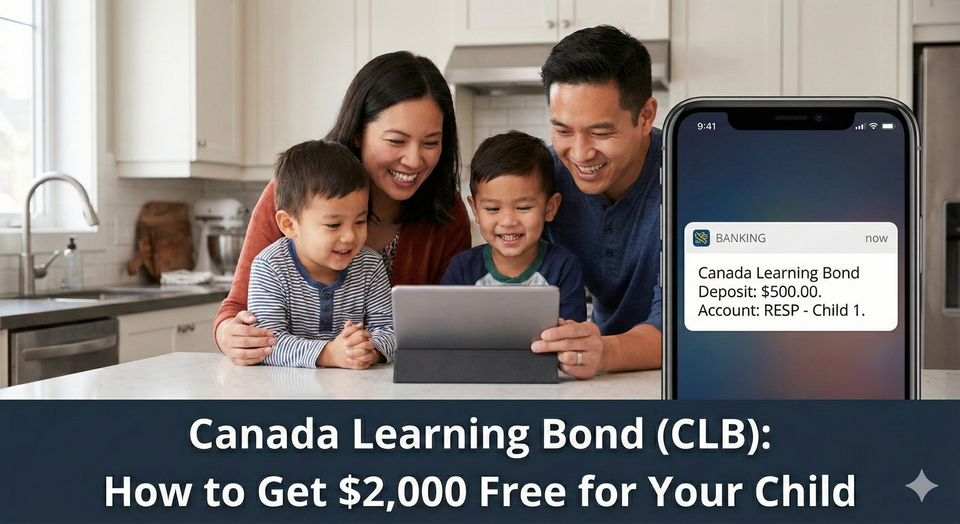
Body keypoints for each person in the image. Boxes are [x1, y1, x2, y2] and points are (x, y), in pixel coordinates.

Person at [215, 51, 471, 366]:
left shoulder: (446, 211)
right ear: (357, 133)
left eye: (431, 143)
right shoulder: (294, 195)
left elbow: (445, 325)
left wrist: (372, 349)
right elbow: (238, 309)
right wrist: (229, 333)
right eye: (396, 140)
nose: (415, 160)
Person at [531, 25, 662, 378]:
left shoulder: (690, 176)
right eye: (562, 130)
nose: (579, 153)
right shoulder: (544, 177)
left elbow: (687, 319)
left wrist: (605, 352)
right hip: (591, 370)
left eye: (601, 133)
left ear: (645, 117)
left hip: (676, 376)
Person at [249, 140, 395, 369]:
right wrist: (330, 354)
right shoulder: (270, 266)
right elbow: (265, 344)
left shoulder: (370, 265)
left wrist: (369, 350)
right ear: (289, 224)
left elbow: (390, 330)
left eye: (359, 221)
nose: (350, 236)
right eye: (334, 225)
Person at [441, 131, 586, 323]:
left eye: (523, 207)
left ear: (550, 207)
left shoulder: (564, 267)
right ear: (475, 209)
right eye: (493, 208)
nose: (508, 221)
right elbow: (445, 333)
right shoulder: (462, 268)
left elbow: (571, 338)